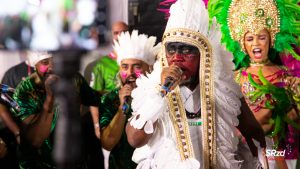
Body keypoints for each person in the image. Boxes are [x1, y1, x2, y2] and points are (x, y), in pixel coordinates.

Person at [126, 0, 265, 168]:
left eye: (186, 50)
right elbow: (135, 140)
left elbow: (256, 135)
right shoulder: (152, 89)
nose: (176, 57)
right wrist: (160, 93)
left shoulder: (223, 89)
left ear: (203, 55)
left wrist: (271, 156)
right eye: (171, 49)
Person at [208, 0, 300, 168]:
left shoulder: (286, 77)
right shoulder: (234, 78)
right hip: (243, 152)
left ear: (271, 40)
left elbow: (294, 121)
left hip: (276, 153)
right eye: (250, 38)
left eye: (261, 37)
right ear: (243, 43)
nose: (256, 43)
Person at [12, 51, 101, 169]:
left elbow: (96, 99)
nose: (52, 67)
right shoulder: (24, 90)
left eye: (56, 61)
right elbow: (34, 140)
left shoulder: (74, 79)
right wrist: (50, 98)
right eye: (45, 62)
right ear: (35, 64)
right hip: (38, 164)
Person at [99, 30, 160, 169]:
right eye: (125, 67)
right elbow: (107, 143)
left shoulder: (157, 97)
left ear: (149, 68)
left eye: (137, 66)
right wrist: (122, 107)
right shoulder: (109, 99)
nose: (130, 72)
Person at [88, 21, 129, 140]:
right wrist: (96, 126)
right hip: (111, 121)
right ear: (111, 36)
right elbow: (93, 98)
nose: (121, 36)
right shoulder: (102, 64)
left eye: (124, 32)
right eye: (116, 33)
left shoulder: (140, 61)